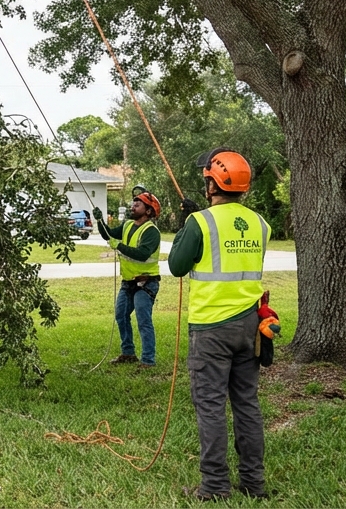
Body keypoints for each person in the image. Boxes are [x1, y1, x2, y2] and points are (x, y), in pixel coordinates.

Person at [169, 148, 269, 501]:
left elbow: (177, 266)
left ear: (212, 183)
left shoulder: (200, 222)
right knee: (246, 404)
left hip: (211, 328)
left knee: (210, 405)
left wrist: (188, 225)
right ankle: (253, 484)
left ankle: (214, 487)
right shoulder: (260, 224)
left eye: (207, 177)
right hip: (250, 326)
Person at [93, 188, 163, 367]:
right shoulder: (127, 225)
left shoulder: (151, 232)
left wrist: (119, 246)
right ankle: (128, 353)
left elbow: (142, 254)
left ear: (148, 211)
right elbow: (107, 235)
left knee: (143, 320)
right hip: (128, 282)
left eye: (137, 204)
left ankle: (148, 360)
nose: (133, 207)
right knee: (121, 315)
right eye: (133, 203)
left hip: (146, 282)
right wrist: (100, 220)